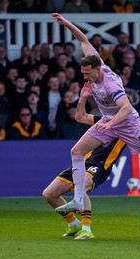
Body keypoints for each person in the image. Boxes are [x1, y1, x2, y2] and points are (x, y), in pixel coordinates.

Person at [50, 13, 140, 213]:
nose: (85, 77)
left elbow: (127, 108)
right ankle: (78, 199)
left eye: (87, 73)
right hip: (108, 121)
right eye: (83, 73)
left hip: (127, 124)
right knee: (76, 152)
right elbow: (83, 39)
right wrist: (65, 22)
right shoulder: (95, 65)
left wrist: (110, 125)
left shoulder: (111, 84)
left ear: (97, 70)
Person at [43, 88, 127, 240]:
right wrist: (82, 98)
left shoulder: (129, 128)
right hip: (82, 162)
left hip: (100, 166)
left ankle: (87, 229)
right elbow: (80, 117)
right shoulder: (103, 120)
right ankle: (74, 225)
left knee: (81, 184)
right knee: (49, 194)